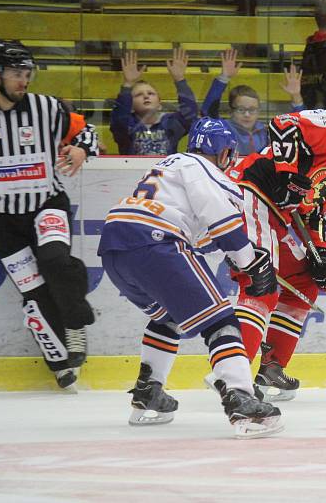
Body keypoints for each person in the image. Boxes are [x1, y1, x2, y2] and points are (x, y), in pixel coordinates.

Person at [97, 117, 282, 438]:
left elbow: (200, 233)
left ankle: (148, 392)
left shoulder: (169, 165)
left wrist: (239, 254)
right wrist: (249, 262)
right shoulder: (205, 169)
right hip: (155, 240)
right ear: (225, 153)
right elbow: (220, 218)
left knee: (170, 317)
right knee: (222, 321)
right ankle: (241, 397)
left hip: (115, 245)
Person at [225, 86, 326, 401]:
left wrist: (321, 251)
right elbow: (283, 124)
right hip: (248, 193)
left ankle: (271, 369)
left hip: (273, 213)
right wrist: (287, 175)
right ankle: (233, 374)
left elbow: (313, 210)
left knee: (306, 281)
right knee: (261, 285)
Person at [0, 39, 98, 391]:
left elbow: (87, 131)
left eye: (28, 73)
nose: (24, 81)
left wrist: (82, 149)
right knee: (34, 292)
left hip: (45, 205)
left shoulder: (47, 108)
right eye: (17, 73)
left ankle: (76, 324)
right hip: (1, 221)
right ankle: (60, 363)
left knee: (55, 261)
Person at [201, 49, 305, 155]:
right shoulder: (223, 130)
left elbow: (301, 129)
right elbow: (207, 113)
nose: (247, 114)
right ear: (231, 111)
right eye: (241, 109)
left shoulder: (266, 134)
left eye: (252, 110)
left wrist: (296, 96)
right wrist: (223, 78)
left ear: (258, 111)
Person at [110, 48, 198, 155]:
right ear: (131, 106)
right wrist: (128, 84)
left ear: (159, 104)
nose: (146, 96)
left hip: (166, 171)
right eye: (139, 95)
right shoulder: (126, 125)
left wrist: (179, 79)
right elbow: (119, 115)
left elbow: (190, 115)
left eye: (151, 93)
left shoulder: (170, 123)